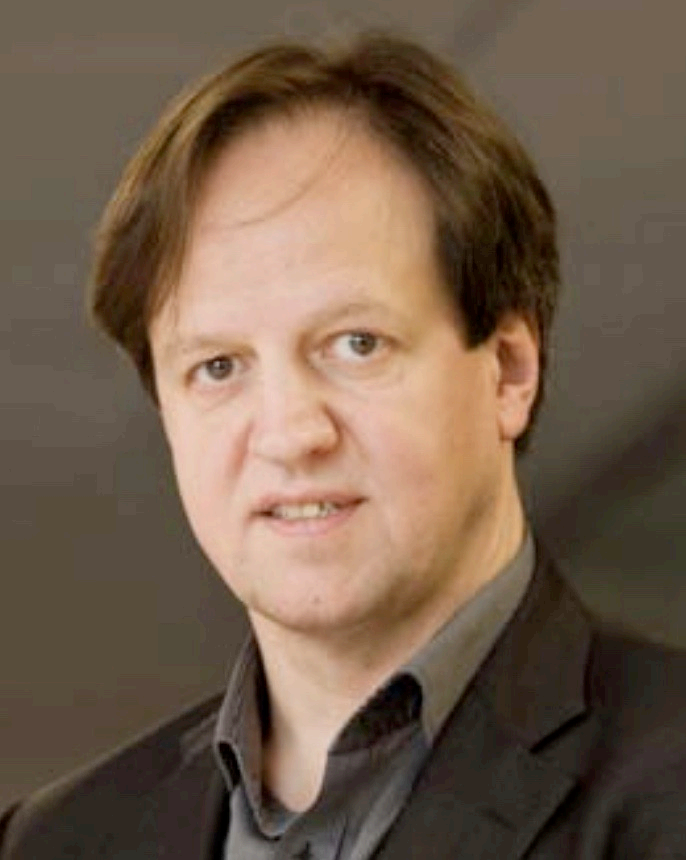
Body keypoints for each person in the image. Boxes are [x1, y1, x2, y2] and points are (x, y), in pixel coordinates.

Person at [2, 32, 685, 860]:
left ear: (508, 370)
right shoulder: (51, 842)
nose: (291, 434)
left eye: (356, 344)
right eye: (218, 366)